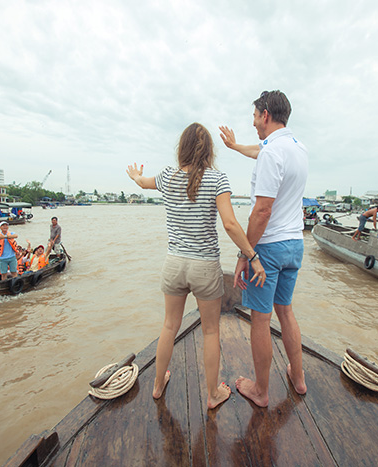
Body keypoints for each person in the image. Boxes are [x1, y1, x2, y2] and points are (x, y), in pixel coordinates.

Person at [126, 122, 266, 410]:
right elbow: (229, 223)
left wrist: (137, 175)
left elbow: (142, 183)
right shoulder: (218, 179)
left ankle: (156, 384)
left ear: (182, 148)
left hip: (174, 264)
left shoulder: (167, 176)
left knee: (169, 326)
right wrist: (252, 255)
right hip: (204, 267)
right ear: (209, 150)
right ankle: (213, 393)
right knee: (211, 332)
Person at [219, 90, 308, 407]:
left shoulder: (272, 153)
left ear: (266, 114)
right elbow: (260, 150)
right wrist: (233, 147)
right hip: (294, 244)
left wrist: (245, 254)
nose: (254, 122)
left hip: (268, 249)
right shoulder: (297, 148)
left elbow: (261, 211)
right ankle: (298, 378)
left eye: (255, 116)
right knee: (286, 311)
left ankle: (260, 390)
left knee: (260, 319)